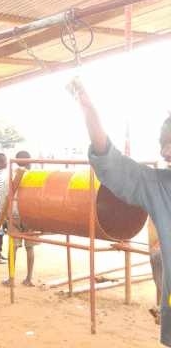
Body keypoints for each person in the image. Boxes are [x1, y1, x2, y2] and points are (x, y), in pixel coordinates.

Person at [68, 77, 171, 346]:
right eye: (162, 143)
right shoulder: (158, 185)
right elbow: (111, 162)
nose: (165, 151)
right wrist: (87, 107)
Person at [0, 151, 39, 288]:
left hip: (14, 215)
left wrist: (4, 219)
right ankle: (29, 278)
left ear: (16, 162)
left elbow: (3, 198)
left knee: (13, 247)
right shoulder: (34, 177)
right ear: (29, 162)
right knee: (30, 247)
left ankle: (11, 278)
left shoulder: (10, 177)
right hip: (30, 215)